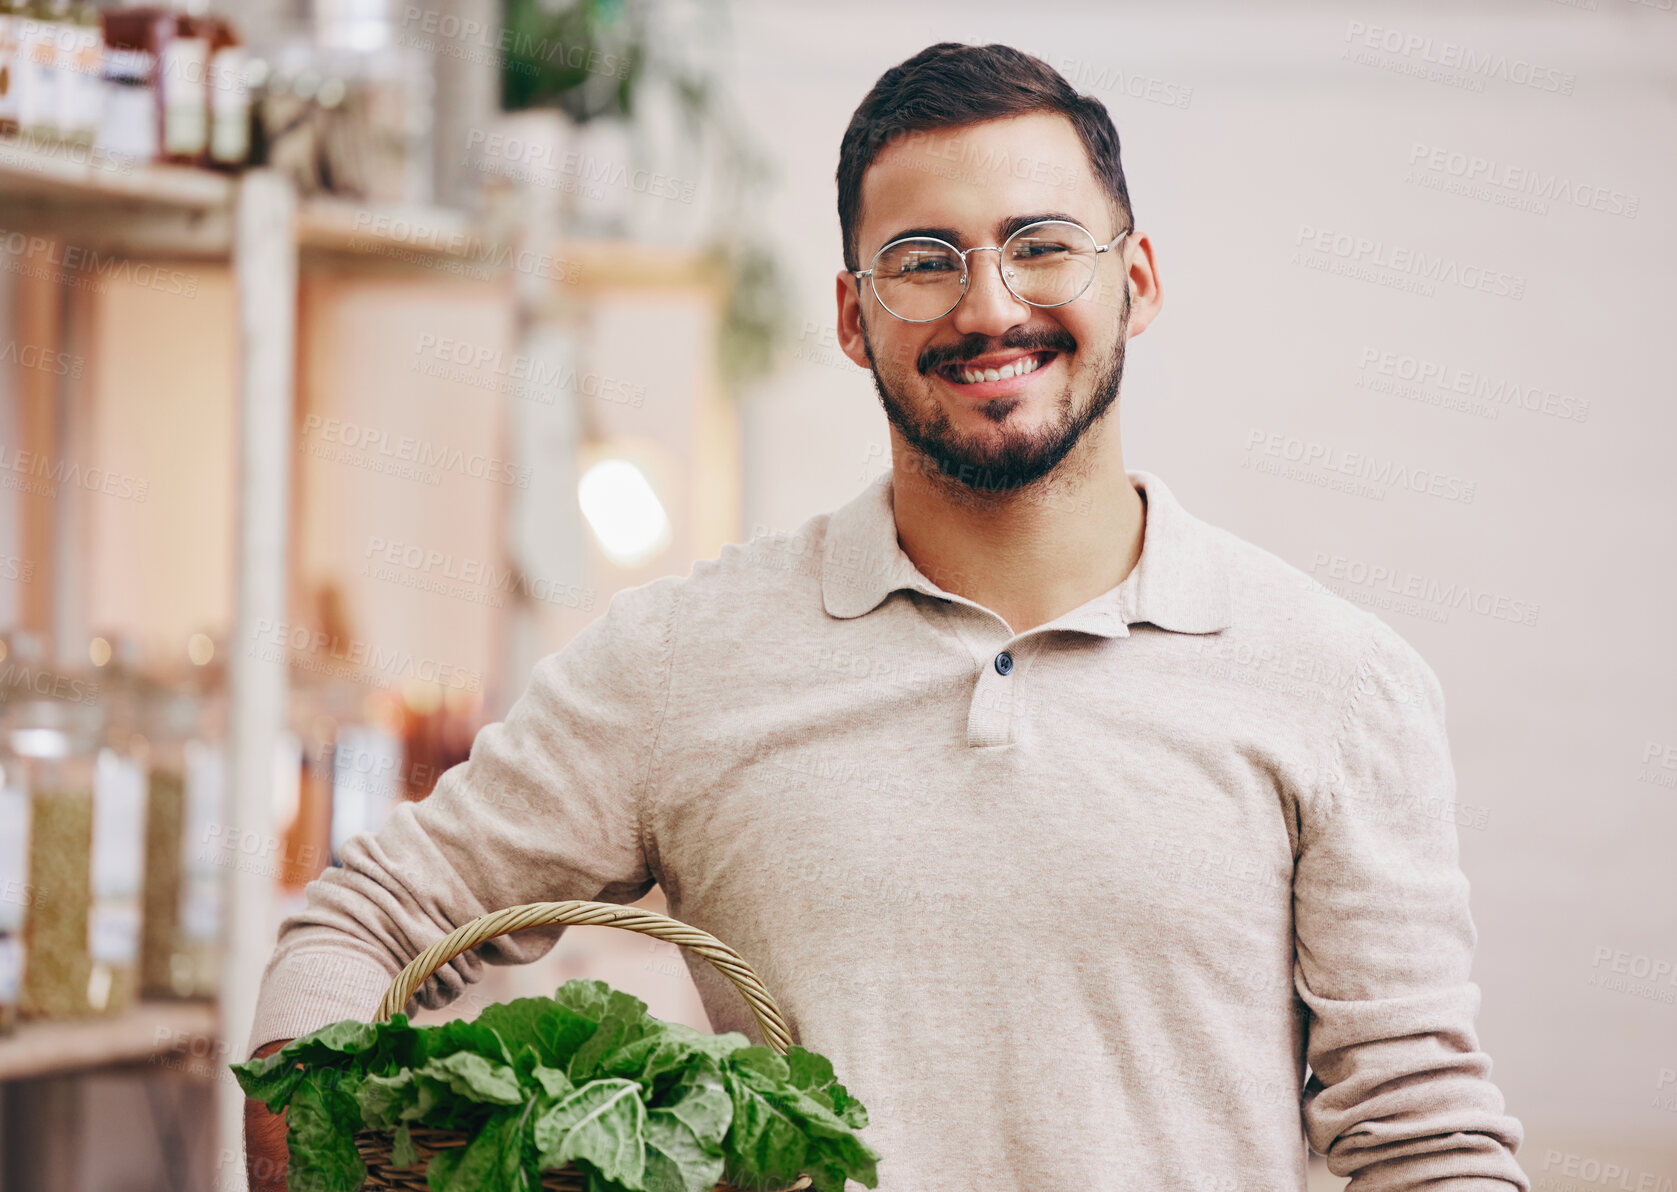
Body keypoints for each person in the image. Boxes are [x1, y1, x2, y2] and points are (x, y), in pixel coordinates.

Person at [245, 42, 1530, 1192]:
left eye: (1042, 245)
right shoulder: (685, 659)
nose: (988, 306)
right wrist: (309, 1127)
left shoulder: (1336, 680)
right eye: (925, 262)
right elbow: (368, 919)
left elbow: (1421, 1138)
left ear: (1134, 280)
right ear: (855, 319)